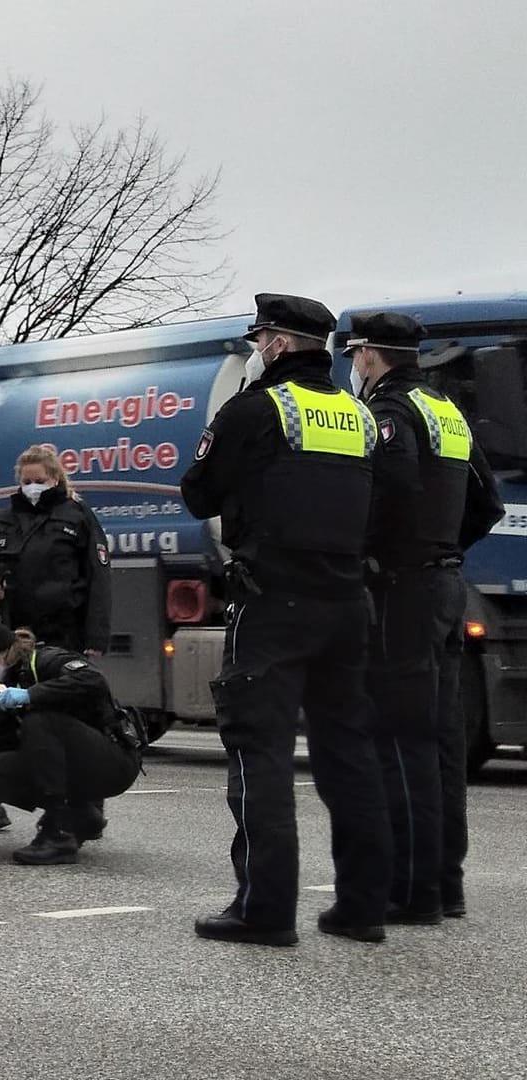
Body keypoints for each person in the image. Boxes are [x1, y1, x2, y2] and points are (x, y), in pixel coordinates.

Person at [181, 292, 392, 947]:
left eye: (260, 339)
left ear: (274, 343)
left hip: (274, 601)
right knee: (351, 755)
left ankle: (265, 909)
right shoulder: (359, 415)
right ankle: (361, 909)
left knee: (260, 753)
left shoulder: (258, 408)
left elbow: (199, 494)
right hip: (349, 605)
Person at [346, 312, 503, 922]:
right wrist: (445, 547)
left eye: (356, 353)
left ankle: (410, 891)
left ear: (368, 356)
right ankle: (444, 884)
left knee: (397, 737)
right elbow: (485, 502)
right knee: (440, 741)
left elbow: (389, 493)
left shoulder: (388, 415)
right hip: (444, 584)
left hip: (400, 589)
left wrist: (382, 553)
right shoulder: (446, 409)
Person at [0, 614, 138, 866]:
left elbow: (93, 681)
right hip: (75, 768)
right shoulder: (4, 687)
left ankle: (58, 833)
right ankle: (80, 814)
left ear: (1, 651)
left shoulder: (46, 660)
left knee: (40, 721)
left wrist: (32, 695)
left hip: (114, 760)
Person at [0, 446, 112, 658]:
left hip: (64, 631)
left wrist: (95, 637)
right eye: (27, 482)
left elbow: (98, 576)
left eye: (40, 482)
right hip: (14, 630)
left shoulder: (77, 516)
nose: (33, 488)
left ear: (55, 479)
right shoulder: (1, 520)